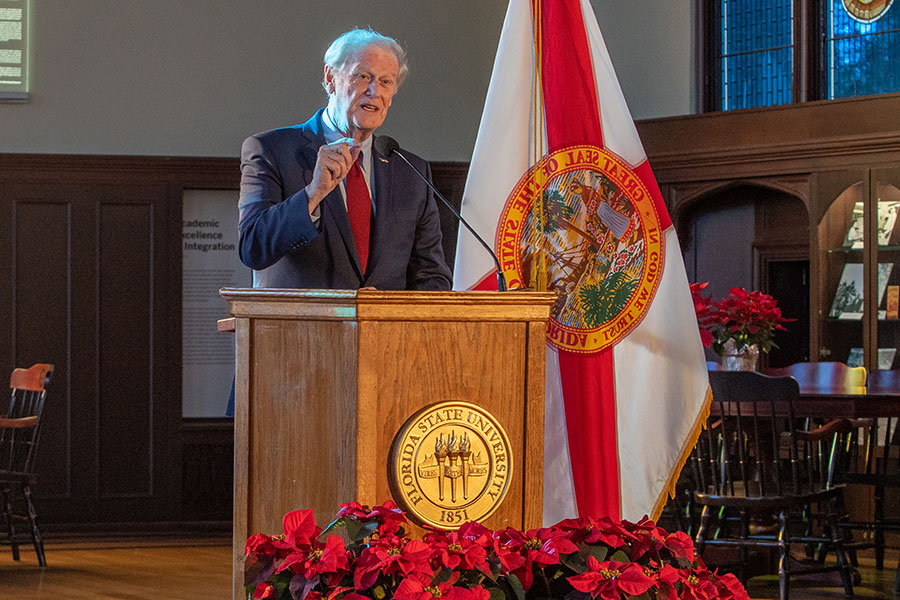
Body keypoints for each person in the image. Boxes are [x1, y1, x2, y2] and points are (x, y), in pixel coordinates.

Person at [237, 28, 452, 291]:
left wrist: (395, 316)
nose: (374, 91)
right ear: (330, 78)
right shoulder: (272, 150)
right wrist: (313, 194)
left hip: (386, 332)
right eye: (363, 76)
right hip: (301, 330)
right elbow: (252, 248)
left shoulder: (411, 171)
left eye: (386, 82)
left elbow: (432, 276)